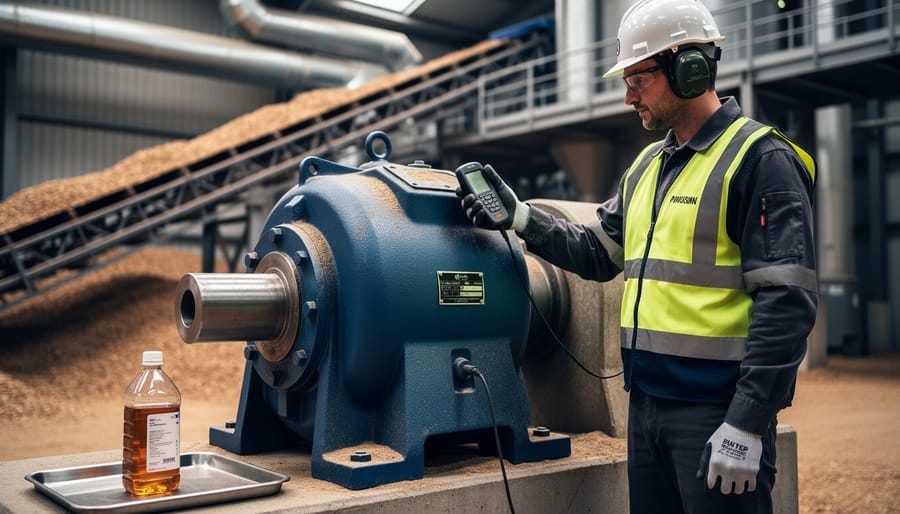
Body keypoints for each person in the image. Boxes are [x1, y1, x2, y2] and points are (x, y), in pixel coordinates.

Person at [457, 0, 817, 513]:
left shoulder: (762, 161)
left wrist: (747, 421)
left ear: (688, 69)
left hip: (715, 412)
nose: (628, 96)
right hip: (646, 407)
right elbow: (599, 252)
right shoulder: (648, 165)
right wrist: (520, 218)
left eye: (638, 79)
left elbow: (786, 303)